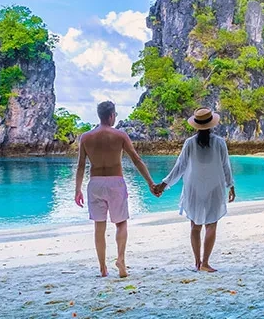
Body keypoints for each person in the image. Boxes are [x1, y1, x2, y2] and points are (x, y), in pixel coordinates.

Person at [74, 101, 157, 278]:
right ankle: (120, 259)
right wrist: (150, 182)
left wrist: (77, 190)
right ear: (111, 116)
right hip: (115, 182)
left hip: (95, 183)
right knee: (121, 223)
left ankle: (103, 267)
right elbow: (136, 160)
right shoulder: (120, 135)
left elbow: (80, 166)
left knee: (99, 226)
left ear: (99, 115)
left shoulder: (86, 137)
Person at [153, 107, 235, 272]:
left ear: (196, 125)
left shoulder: (190, 143)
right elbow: (226, 166)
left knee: (195, 226)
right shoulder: (219, 142)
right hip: (214, 187)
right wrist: (230, 185)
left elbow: (180, 167)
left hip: (193, 188)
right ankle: (205, 263)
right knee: (211, 225)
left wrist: (163, 184)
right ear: (212, 124)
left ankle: (197, 262)